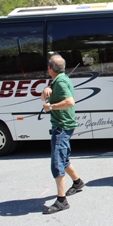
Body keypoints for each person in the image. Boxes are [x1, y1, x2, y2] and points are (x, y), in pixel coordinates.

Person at [41, 54, 84, 214]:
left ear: (49, 68)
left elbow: (70, 101)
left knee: (57, 161)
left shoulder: (61, 81)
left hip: (62, 126)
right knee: (63, 157)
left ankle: (61, 201)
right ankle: (78, 182)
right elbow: (44, 99)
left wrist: (51, 107)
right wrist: (46, 90)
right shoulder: (58, 80)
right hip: (63, 125)